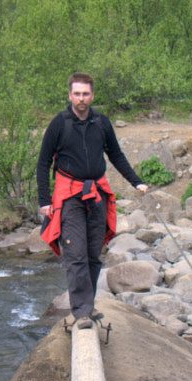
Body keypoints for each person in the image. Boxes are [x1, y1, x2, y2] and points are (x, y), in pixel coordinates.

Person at [37, 72, 149, 329]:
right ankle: (82, 312)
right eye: (77, 94)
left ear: (92, 95)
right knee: (75, 253)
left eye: (85, 94)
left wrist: (136, 181)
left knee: (93, 254)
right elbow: (43, 163)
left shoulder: (101, 122)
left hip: (97, 193)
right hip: (70, 197)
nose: (81, 99)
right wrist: (44, 199)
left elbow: (116, 155)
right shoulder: (59, 124)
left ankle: (88, 304)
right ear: (69, 95)